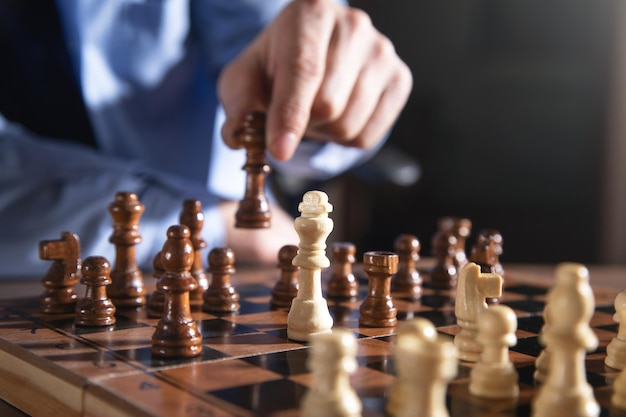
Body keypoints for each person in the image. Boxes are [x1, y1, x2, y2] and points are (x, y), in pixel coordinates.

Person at [0, 0, 412, 277]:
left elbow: (272, 42)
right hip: (31, 269)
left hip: (224, 260)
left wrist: (324, 98)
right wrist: (215, 227)